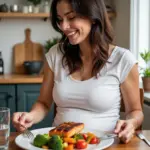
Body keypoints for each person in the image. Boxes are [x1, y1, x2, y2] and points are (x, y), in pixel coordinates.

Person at [12, 0, 143, 144]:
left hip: (104, 145)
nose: (64, 26)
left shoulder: (123, 59)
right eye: (60, 19)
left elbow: (135, 111)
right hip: (62, 145)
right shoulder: (56, 54)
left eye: (71, 17)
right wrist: (31, 116)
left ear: (93, 17)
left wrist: (131, 123)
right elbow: (43, 103)